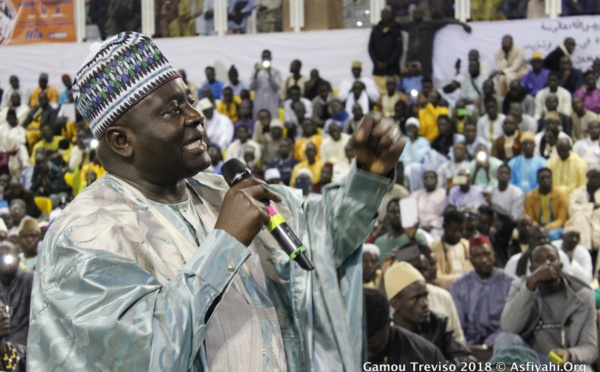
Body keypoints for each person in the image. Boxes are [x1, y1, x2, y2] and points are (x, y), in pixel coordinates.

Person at [28, 31, 404, 371]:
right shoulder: (85, 234)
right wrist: (225, 242)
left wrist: (366, 177)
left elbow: (319, 242)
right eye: (173, 110)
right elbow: (139, 355)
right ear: (122, 141)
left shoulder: (220, 192)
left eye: (189, 100)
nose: (196, 116)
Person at [496, 243, 597, 369]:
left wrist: (569, 354)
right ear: (532, 269)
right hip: (532, 361)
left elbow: (590, 348)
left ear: (560, 266)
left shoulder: (581, 295)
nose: (546, 264)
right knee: (504, 339)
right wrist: (530, 285)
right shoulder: (520, 286)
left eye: (551, 259)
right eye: (538, 261)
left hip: (566, 363)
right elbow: (508, 327)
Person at [384, 262, 475, 364]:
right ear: (395, 304)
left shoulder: (437, 324)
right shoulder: (385, 334)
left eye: (425, 296)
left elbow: (468, 361)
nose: (425, 303)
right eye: (416, 298)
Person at [451, 236, 514, 347]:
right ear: (470, 259)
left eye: (487, 254)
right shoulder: (459, 285)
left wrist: (489, 342)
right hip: (469, 345)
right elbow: (458, 323)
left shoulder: (510, 282)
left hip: (501, 342)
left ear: (494, 255)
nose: (484, 260)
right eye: (477, 256)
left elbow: (513, 322)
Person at [365, 287, 445, 367]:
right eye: (361, 349)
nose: (367, 355)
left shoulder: (425, 356)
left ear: (388, 324)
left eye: (374, 348)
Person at [397, 9, 471, 78]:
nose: (417, 15)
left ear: (422, 15)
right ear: (412, 15)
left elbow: (446, 21)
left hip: (424, 58)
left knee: (426, 78)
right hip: (411, 57)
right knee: (407, 77)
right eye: (415, 13)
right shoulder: (410, 26)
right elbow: (395, 25)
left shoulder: (430, 25)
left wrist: (463, 24)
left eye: (419, 13)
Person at [374, 198, 428, 265]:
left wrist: (412, 239)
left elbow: (427, 257)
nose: (396, 215)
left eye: (399, 211)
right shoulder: (378, 242)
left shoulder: (417, 236)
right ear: (387, 215)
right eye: (392, 212)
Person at [431, 209, 473, 290]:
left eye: (461, 230)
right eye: (453, 231)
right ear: (444, 226)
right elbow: (437, 278)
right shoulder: (434, 249)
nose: (457, 234)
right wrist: (464, 279)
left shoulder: (467, 245)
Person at [0, 241, 32, 346]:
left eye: (9, 256)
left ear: (18, 260)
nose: (4, 261)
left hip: (24, 346)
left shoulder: (30, 280)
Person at [524, 168, 569, 241]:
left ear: (552, 179)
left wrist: (548, 228)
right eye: (542, 178)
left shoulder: (561, 195)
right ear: (537, 180)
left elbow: (561, 219)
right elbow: (531, 219)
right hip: (537, 226)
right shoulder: (530, 196)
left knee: (552, 234)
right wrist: (539, 228)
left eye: (548, 178)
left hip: (556, 227)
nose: (545, 180)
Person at [368, 7, 402, 94]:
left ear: (391, 15)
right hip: (378, 69)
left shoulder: (396, 30)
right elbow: (370, 48)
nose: (385, 15)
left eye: (387, 13)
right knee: (378, 94)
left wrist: (389, 63)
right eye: (383, 13)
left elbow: (399, 49)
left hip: (392, 69)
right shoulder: (375, 30)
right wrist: (376, 61)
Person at [567, 168, 600, 256]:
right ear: (587, 177)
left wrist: (582, 207)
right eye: (592, 177)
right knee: (580, 217)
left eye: (597, 177)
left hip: (597, 222)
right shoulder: (578, 192)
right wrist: (592, 206)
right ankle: (586, 252)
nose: (595, 180)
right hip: (582, 222)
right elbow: (571, 209)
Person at [412, 171, 446, 239]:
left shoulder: (443, 194)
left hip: (436, 228)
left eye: (431, 177)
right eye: (426, 178)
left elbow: (444, 214)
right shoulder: (416, 194)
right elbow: (412, 213)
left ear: (437, 180)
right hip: (419, 228)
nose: (428, 179)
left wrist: (432, 226)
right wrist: (419, 226)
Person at [249, 49, 282, 119]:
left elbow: (277, 87)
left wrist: (270, 74)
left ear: (270, 58)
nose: (265, 59)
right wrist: (256, 74)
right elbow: (251, 87)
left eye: (267, 57)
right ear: (261, 58)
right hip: (259, 103)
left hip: (271, 104)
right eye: (264, 57)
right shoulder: (256, 72)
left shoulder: (276, 72)